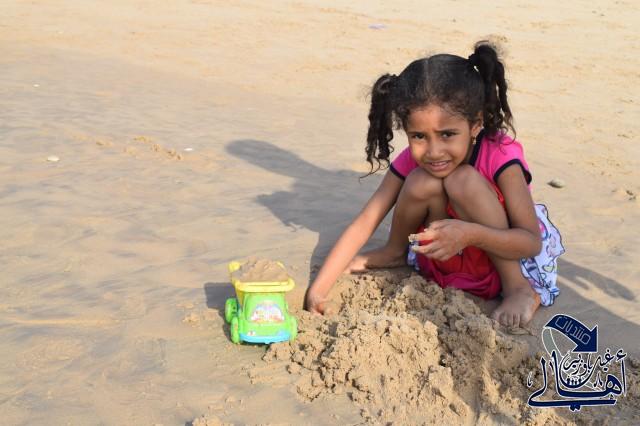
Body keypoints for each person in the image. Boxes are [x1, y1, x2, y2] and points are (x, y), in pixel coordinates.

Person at [304, 41, 564, 328]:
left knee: (462, 180)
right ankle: (394, 252)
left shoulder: (500, 155)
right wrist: (318, 290)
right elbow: (366, 221)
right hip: (440, 260)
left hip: (501, 261)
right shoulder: (413, 160)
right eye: (418, 136)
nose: (434, 151)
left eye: (447, 134)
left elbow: (530, 242)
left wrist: (471, 235)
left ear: (476, 124)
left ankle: (518, 288)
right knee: (421, 181)